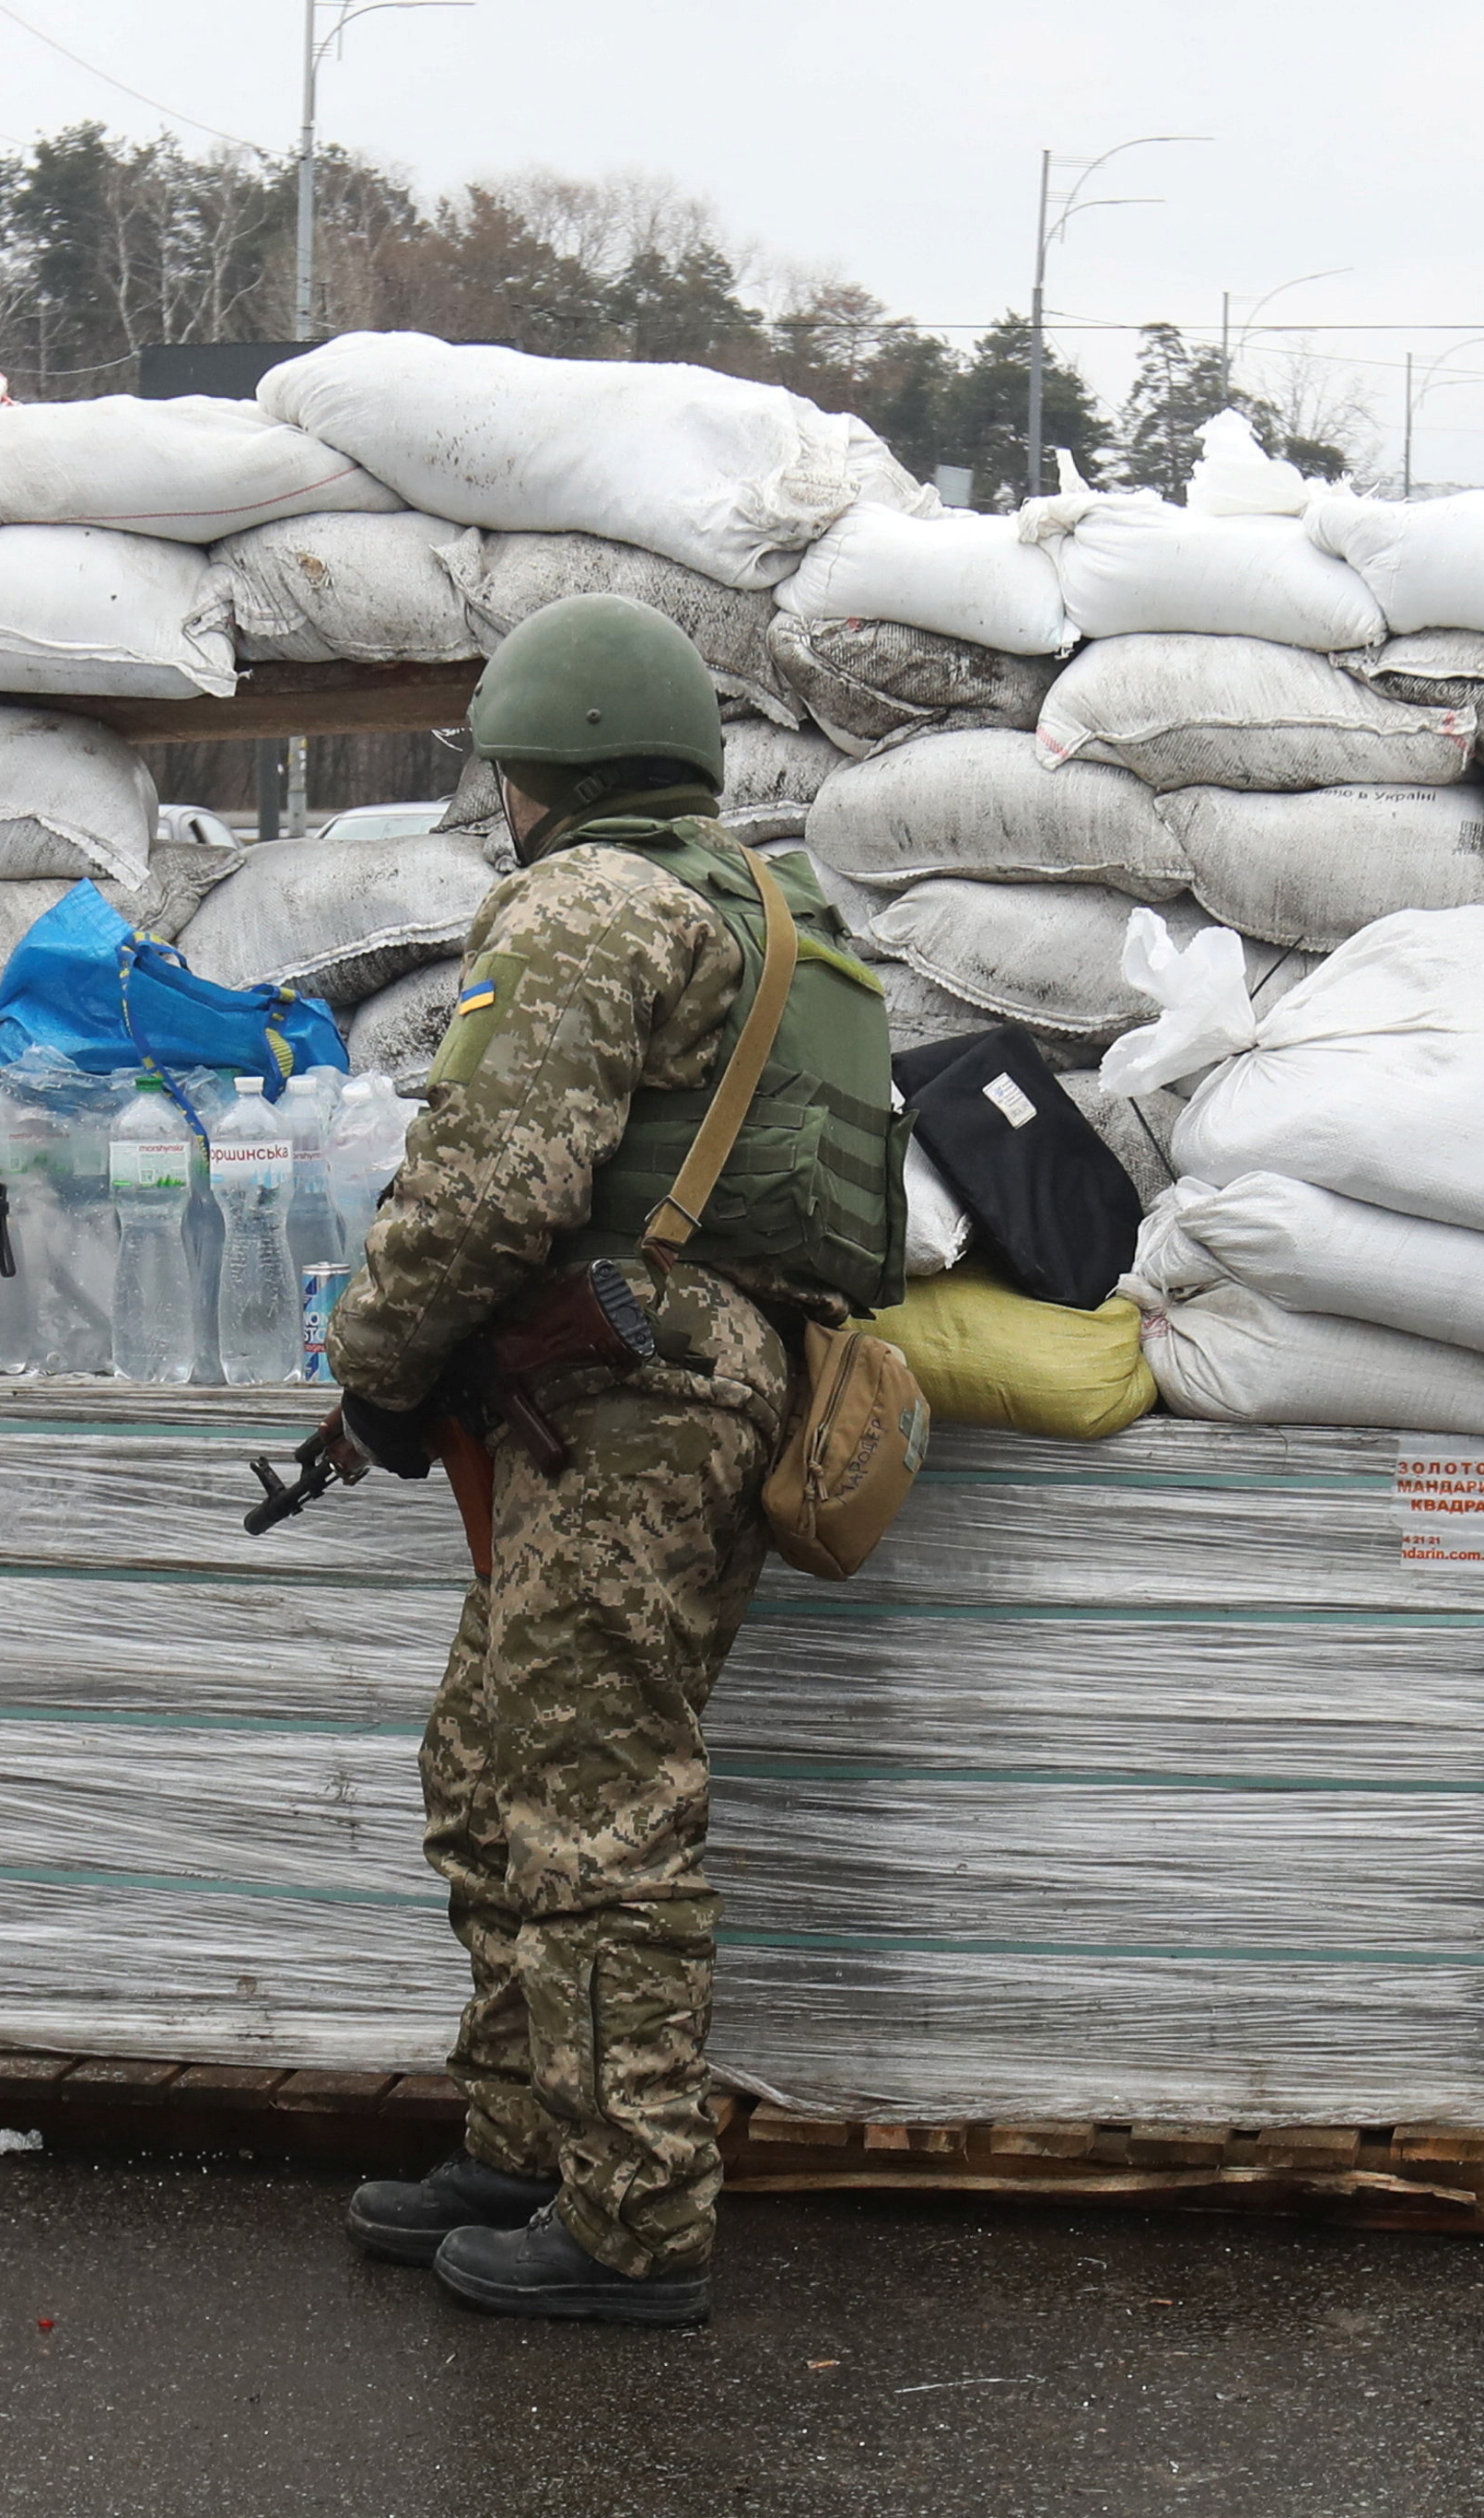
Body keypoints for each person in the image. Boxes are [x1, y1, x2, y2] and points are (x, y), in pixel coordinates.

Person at [324, 591, 903, 2326]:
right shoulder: (781, 912)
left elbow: (492, 1174)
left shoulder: (587, 899)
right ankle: (522, 2139)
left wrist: (373, 1374)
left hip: (626, 1404)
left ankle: (637, 2214)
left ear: (543, 767)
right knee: (491, 1766)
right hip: (698, 1388)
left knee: (592, 1802)